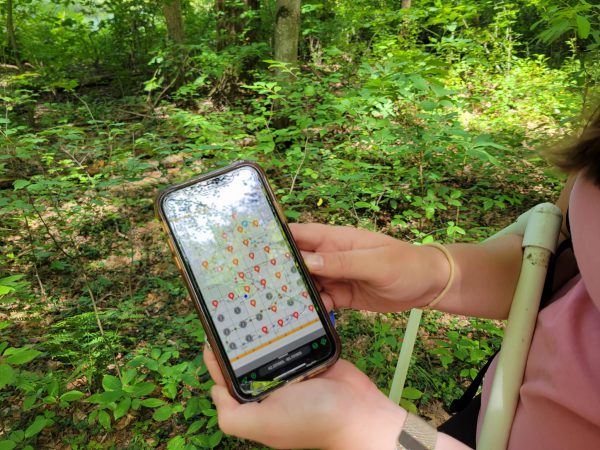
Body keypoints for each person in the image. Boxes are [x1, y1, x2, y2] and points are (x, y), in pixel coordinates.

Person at [203, 108, 600, 449]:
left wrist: (368, 428)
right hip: (492, 413)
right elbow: (561, 251)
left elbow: (408, 438)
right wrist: (432, 272)